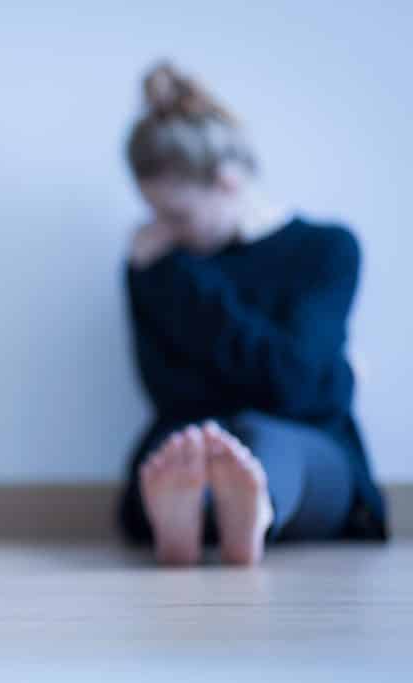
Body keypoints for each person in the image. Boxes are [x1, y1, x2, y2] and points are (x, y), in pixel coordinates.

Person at [117, 62, 388, 566]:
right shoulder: (156, 263)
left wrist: (184, 283)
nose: (164, 231)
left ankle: (247, 511)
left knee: (258, 442)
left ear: (229, 181)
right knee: (181, 452)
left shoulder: (326, 251)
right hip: (189, 439)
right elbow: (166, 390)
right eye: (155, 214)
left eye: (177, 216)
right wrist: (341, 378)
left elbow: (293, 385)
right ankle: (192, 513)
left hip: (304, 446)